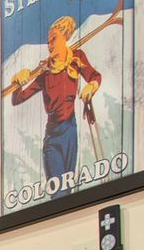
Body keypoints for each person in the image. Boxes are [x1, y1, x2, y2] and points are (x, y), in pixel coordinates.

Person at [9, 15, 102, 184]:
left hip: (70, 130)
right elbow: (18, 99)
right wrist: (17, 83)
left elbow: (94, 76)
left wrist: (91, 87)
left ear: (65, 36)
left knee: (68, 186)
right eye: (48, 42)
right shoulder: (44, 72)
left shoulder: (76, 58)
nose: (50, 45)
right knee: (57, 189)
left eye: (54, 39)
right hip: (52, 135)